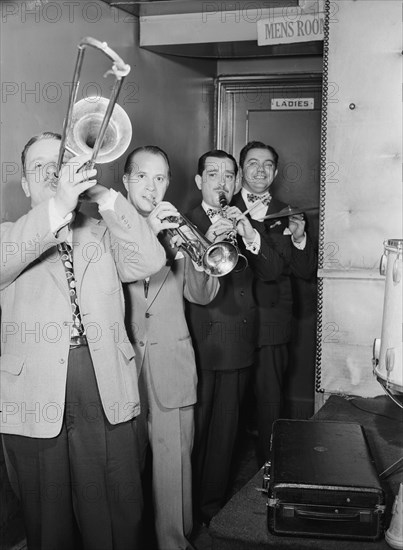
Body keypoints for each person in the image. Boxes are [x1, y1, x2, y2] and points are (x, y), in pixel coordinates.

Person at [0, 132, 166, 550]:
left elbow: (149, 260)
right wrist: (57, 208)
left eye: (58, 164)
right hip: (34, 394)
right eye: (39, 167)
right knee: (47, 524)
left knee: (114, 516)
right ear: (24, 184)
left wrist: (105, 196)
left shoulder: (102, 230)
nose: (51, 172)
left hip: (104, 382)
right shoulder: (9, 235)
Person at [122, 145, 220, 550]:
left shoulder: (180, 227)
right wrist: (150, 232)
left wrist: (198, 252)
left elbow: (203, 295)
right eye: (142, 176)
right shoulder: (104, 228)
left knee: (173, 469)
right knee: (120, 474)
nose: (152, 185)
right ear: (125, 181)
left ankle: (175, 544)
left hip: (172, 365)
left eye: (160, 177)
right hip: (122, 367)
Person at [185, 149, 284, 524]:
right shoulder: (185, 222)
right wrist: (204, 242)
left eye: (229, 176)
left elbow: (273, 271)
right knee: (192, 434)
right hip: (199, 343)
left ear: (236, 182)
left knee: (225, 436)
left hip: (239, 344)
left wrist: (251, 236)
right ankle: (184, 509)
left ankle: (211, 509)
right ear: (200, 182)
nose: (222, 183)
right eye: (214, 175)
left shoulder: (244, 221)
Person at [232, 140, 317, 466]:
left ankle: (268, 469)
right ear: (241, 170)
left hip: (272, 320)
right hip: (231, 318)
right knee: (230, 401)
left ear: (276, 171)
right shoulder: (223, 207)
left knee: (269, 398)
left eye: (268, 165)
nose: (260, 170)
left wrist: (298, 239)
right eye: (253, 163)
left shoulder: (289, 211)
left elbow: (305, 271)